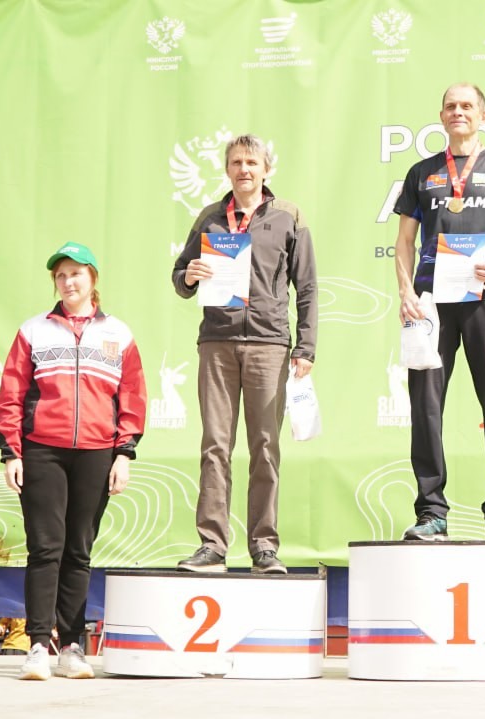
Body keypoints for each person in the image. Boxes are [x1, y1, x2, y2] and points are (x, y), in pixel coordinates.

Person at [393, 82, 485, 541]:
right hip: (431, 302)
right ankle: (431, 513)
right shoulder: (422, 172)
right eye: (451, 106)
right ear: (442, 116)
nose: (458, 112)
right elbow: (404, 242)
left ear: (483, 115)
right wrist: (405, 292)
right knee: (426, 406)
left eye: (467, 106)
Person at [0, 242, 146, 680]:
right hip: (42, 450)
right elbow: (11, 394)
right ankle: (38, 646)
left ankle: (72, 647)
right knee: (45, 549)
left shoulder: (118, 333)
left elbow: (132, 397)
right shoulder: (33, 331)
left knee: (79, 552)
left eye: (76, 273)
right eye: (60, 275)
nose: (68, 282)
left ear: (93, 278)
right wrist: (11, 451)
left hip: (97, 452)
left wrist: (124, 452)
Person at [172, 134, 318, 573]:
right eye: (236, 163)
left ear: (266, 169)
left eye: (252, 163)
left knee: (266, 447)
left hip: (269, 343)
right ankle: (212, 545)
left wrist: (306, 346)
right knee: (215, 446)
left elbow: (307, 286)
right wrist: (190, 274)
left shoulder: (288, 215)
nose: (244, 170)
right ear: (227, 169)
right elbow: (180, 278)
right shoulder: (209, 218)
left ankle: (264, 546)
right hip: (216, 343)